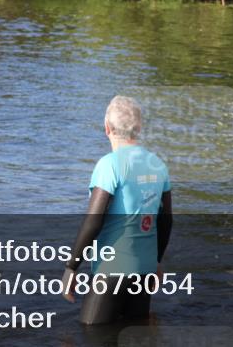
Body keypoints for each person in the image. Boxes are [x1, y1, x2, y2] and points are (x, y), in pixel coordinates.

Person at [62, 96, 173, 325]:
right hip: (144, 270)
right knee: (134, 341)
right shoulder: (158, 165)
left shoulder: (109, 165)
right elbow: (166, 222)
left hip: (111, 270)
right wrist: (156, 262)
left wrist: (71, 268)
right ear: (139, 128)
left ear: (107, 128)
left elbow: (94, 221)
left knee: (92, 336)